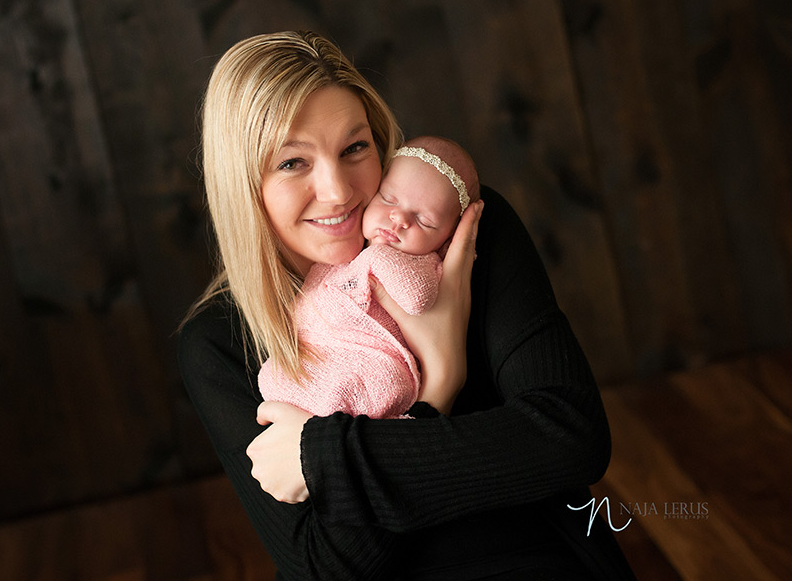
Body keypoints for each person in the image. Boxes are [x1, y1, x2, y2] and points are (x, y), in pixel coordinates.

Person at [178, 30, 635, 579]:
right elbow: (322, 568)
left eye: (354, 148)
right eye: (293, 163)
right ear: (243, 184)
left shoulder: (458, 231)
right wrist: (437, 386)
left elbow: (572, 438)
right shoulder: (217, 341)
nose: (339, 191)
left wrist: (326, 459)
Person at [258, 136, 481, 419]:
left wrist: (377, 257)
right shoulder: (347, 253)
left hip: (373, 364)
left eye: (424, 221)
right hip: (322, 354)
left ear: (447, 240)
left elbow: (417, 298)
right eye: (388, 199)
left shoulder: (422, 263)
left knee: (379, 383)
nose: (399, 219)